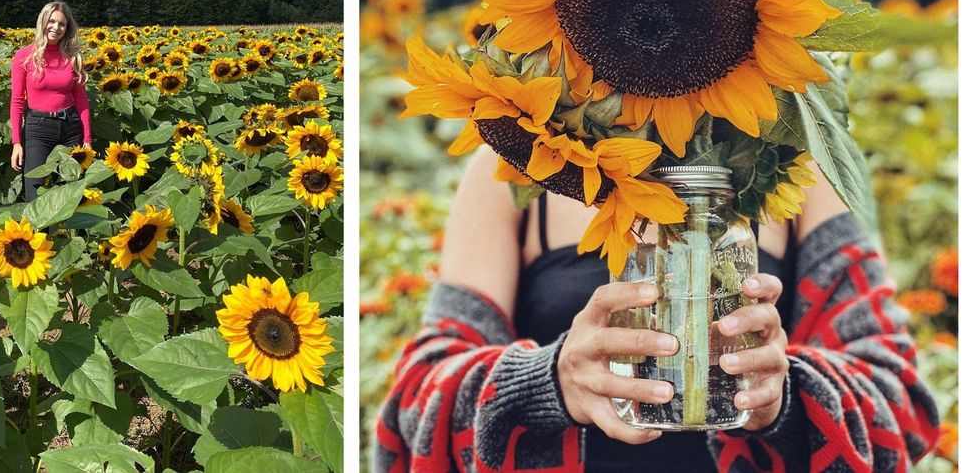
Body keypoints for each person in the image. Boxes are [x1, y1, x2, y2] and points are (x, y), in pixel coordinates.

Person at [373, 145, 940, 472]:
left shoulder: (794, 172)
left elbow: (897, 398)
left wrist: (784, 394)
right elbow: (419, 399)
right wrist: (548, 381)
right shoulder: (516, 167)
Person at [10, 1, 92, 201]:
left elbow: (81, 100)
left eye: (62, 24)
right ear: (43, 22)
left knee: (72, 193)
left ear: (67, 28)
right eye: (52, 21)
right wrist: (16, 143)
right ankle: (41, 233)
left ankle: (67, 233)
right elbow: (17, 101)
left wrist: (87, 140)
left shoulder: (72, 57)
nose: (56, 27)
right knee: (34, 190)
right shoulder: (24, 56)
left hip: (70, 126)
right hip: (39, 128)